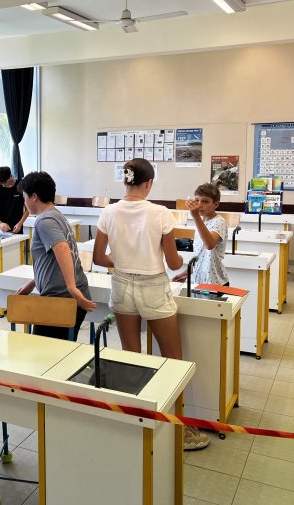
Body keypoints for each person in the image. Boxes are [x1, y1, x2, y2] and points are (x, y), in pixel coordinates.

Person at [92, 159, 209, 451]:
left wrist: (122, 261)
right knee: (173, 360)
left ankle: (137, 422)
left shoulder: (109, 211)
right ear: (149, 183)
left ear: (125, 180)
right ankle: (180, 429)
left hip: (121, 284)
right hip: (153, 286)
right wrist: (178, 259)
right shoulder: (160, 213)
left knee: (132, 356)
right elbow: (173, 263)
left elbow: (98, 258)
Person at [15, 171, 96, 339]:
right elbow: (53, 260)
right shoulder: (55, 214)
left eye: (25, 197)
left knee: (47, 350)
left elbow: (63, 249)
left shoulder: (44, 221)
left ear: (34, 197)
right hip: (66, 297)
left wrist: (72, 288)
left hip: (61, 300)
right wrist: (34, 282)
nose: (24, 202)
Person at [174, 182, 229, 286]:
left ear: (216, 204)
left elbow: (210, 244)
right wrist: (184, 274)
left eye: (205, 201)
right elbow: (198, 256)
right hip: (199, 282)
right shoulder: (202, 222)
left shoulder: (219, 222)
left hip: (216, 283)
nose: (199, 205)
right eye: (196, 200)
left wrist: (196, 217)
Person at [0, 166, 29, 234]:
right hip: (2, 228)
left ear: (10, 176)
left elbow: (27, 209)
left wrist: (20, 223)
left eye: (4, 182)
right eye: (1, 183)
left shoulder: (21, 187)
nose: (3, 185)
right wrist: (0, 223)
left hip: (17, 228)